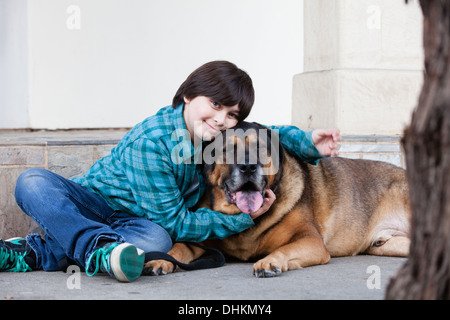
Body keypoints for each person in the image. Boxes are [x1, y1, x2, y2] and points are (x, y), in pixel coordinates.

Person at [0, 61, 340, 282]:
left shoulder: (213, 134)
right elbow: (175, 222)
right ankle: (94, 246)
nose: (222, 119)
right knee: (32, 181)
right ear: (189, 96)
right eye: (216, 104)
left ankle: (37, 251)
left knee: (158, 241)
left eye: (232, 114)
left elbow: (268, 133)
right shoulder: (154, 141)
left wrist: (308, 141)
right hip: (96, 203)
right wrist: (242, 219)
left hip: (137, 222)